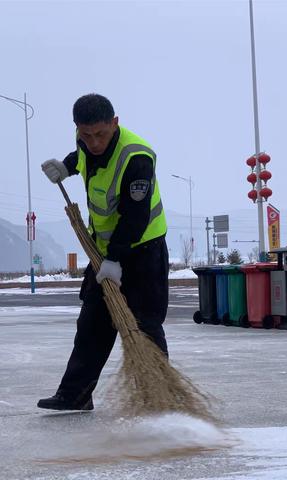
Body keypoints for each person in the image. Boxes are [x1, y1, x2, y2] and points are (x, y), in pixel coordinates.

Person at [38, 93, 169, 411]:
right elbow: (83, 157)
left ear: (115, 123)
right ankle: (75, 395)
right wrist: (65, 167)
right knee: (92, 322)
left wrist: (115, 260)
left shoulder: (136, 157)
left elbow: (135, 217)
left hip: (143, 251)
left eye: (101, 134)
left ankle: (158, 395)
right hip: (104, 251)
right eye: (86, 135)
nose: (94, 142)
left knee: (144, 324)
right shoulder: (85, 139)